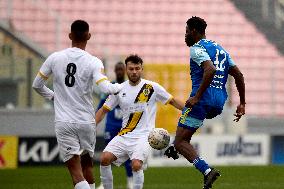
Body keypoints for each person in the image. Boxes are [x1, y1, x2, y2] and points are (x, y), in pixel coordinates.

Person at [32, 20, 122, 189]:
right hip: (87, 122)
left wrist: (53, 97)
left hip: (64, 122)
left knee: (75, 171)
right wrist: (119, 87)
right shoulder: (94, 61)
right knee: (87, 164)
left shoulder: (55, 58)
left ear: (69, 35)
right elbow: (105, 87)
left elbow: (36, 85)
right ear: (89, 36)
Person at [164, 16, 246, 189]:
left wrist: (197, 96)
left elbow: (210, 69)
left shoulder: (196, 48)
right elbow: (238, 75)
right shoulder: (221, 50)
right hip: (219, 102)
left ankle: (207, 171)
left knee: (182, 140)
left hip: (203, 99)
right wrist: (242, 103)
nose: (185, 35)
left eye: (186, 31)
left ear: (193, 31)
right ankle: (174, 146)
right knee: (186, 116)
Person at [95, 54, 184, 189]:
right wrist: (90, 127)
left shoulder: (151, 87)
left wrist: (191, 111)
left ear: (141, 69)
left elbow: (172, 101)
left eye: (137, 68)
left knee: (136, 164)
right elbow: (103, 110)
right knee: (104, 159)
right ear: (126, 69)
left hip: (144, 135)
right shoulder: (119, 89)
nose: (134, 72)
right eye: (131, 69)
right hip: (124, 135)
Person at [96, 62, 133, 189]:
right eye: (117, 69)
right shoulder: (109, 87)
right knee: (107, 154)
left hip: (126, 126)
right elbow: (101, 105)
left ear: (125, 70)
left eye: (121, 69)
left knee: (129, 154)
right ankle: (104, 183)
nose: (119, 71)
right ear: (115, 71)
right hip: (111, 126)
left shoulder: (130, 86)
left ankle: (130, 181)